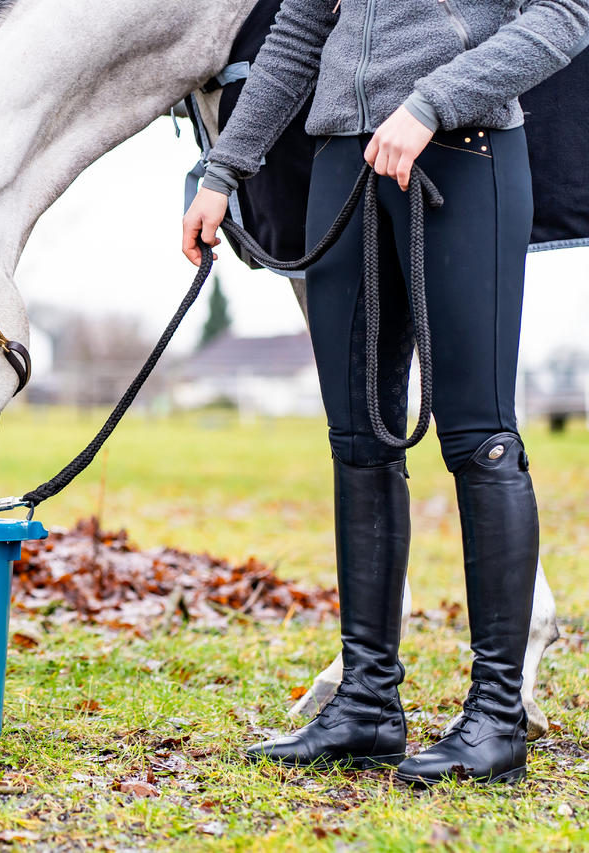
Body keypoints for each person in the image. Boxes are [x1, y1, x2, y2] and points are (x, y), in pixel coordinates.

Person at [181, 0, 589, 786]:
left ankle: (497, 717)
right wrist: (223, 170)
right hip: (343, 159)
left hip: (463, 149)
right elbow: (299, 29)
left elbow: (564, 15)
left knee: (481, 437)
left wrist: (432, 101)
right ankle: (367, 705)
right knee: (358, 437)